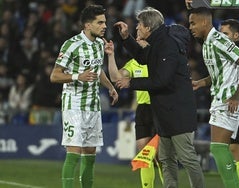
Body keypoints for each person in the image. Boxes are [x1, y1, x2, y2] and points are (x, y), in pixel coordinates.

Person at [114, 7, 205, 188]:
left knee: (187, 158)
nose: (137, 28)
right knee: (166, 158)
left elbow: (161, 80)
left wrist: (131, 83)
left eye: (139, 25)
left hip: (178, 112)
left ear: (148, 26)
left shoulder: (167, 45)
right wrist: (126, 38)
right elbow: (142, 57)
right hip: (164, 113)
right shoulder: (159, 44)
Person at [50, 5, 118, 188]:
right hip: (74, 105)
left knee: (90, 155)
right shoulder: (71, 44)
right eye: (100, 22)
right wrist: (76, 76)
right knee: (73, 153)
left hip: (93, 106)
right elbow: (55, 75)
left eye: (105, 21)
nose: (105, 26)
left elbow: (98, 71)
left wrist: (110, 87)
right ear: (88, 25)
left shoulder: (98, 44)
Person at [189, 7, 239, 188]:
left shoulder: (218, 40)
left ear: (204, 22)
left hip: (228, 99)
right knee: (224, 149)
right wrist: (201, 82)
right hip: (221, 97)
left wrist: (236, 95)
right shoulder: (208, 43)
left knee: (218, 148)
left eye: (193, 23)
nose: (190, 27)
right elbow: (221, 71)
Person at [105, 34, 157, 187]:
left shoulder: (158, 61)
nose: (139, 42)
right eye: (137, 41)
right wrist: (111, 55)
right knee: (144, 153)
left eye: (142, 40)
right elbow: (115, 77)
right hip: (143, 109)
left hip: (160, 108)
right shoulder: (134, 64)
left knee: (161, 156)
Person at [219, 18, 239, 188]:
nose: (221, 37)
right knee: (225, 150)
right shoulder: (223, 51)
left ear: (236, 36)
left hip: (236, 104)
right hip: (224, 103)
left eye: (226, 34)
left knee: (236, 151)